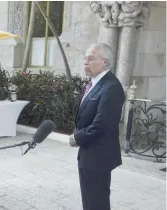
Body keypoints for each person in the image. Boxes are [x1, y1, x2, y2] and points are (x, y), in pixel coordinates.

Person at [69, 43, 125, 210]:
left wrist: (76, 138)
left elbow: (102, 125)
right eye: (85, 58)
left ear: (105, 62)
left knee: (96, 201)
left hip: (99, 155)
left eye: (91, 58)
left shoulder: (111, 87)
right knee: (90, 199)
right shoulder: (94, 83)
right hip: (89, 153)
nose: (85, 62)